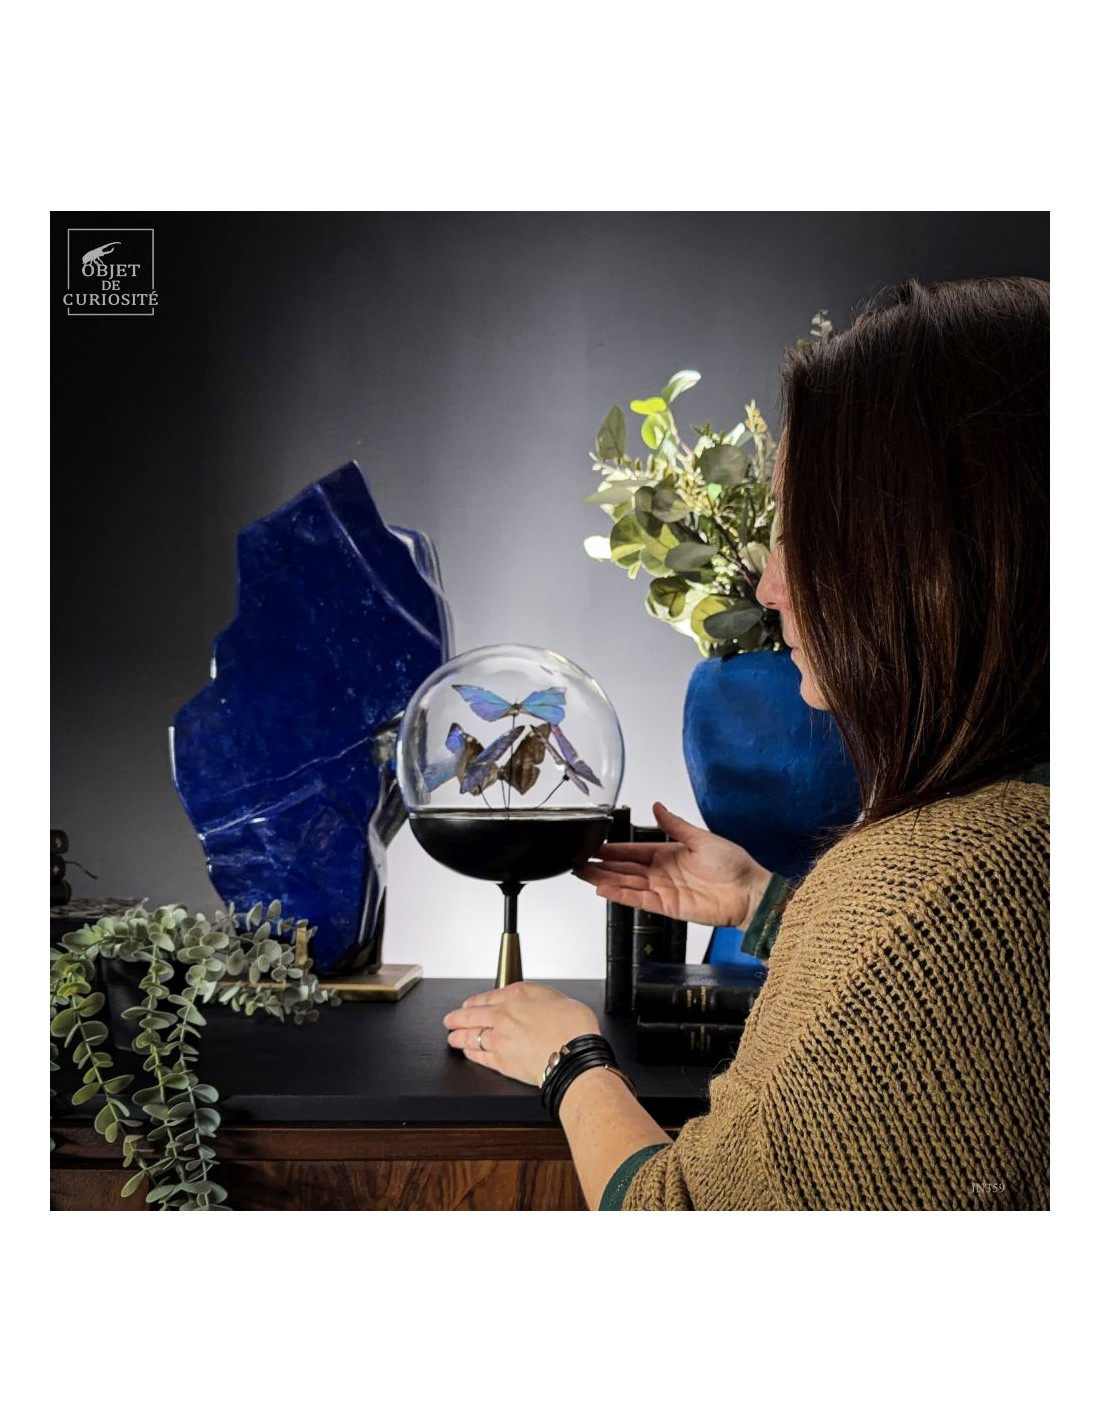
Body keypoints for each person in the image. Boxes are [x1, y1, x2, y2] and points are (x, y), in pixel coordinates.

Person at [443, 275, 1050, 1210]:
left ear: (923, 555)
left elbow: (684, 1222)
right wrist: (773, 909)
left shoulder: (924, 888)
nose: (768, 587)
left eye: (803, 531)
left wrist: (570, 1061)